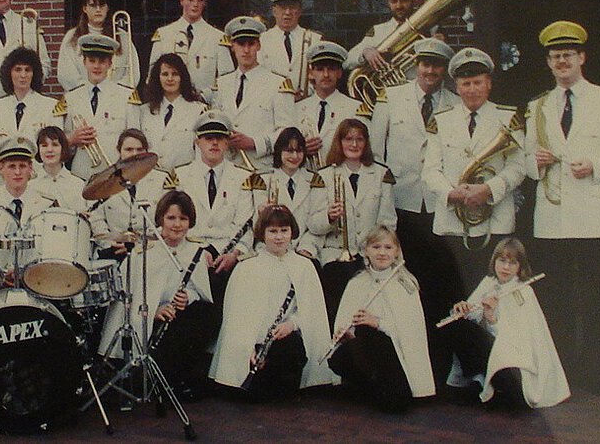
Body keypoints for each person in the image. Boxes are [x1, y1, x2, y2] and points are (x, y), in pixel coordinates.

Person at [523, 20, 600, 396]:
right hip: (552, 217)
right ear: (549, 63)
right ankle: (562, 370)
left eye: (568, 55)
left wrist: (597, 166)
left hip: (591, 213)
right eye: (555, 57)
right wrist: (534, 161)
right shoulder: (537, 106)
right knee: (554, 296)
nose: (562, 62)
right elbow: (524, 159)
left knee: (594, 295)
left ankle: (596, 373)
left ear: (582, 58)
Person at [422, 48, 525, 306]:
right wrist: (452, 193)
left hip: (495, 219)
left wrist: (488, 190)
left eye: (477, 82)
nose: (471, 89)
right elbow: (430, 169)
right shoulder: (441, 120)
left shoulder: (507, 117)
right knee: (454, 291)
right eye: (465, 83)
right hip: (452, 221)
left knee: (492, 292)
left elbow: (518, 166)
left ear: (488, 83)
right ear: (456, 86)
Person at [369, 37, 456, 326]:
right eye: (425, 64)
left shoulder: (454, 103)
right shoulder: (391, 97)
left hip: (437, 205)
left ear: (444, 69)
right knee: (406, 275)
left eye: (437, 66)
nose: (430, 71)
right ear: (416, 65)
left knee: (439, 279)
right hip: (401, 203)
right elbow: (377, 153)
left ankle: (437, 340)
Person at [98, 191, 218, 400]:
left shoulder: (195, 250)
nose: (177, 224)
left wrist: (188, 297)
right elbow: (129, 296)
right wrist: (153, 310)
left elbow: (198, 290)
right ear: (161, 219)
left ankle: (175, 378)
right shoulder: (143, 252)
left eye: (183, 218)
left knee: (207, 315)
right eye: (171, 218)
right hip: (146, 318)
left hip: (177, 316)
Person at [211, 206, 333, 401]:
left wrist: (291, 324)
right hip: (252, 343)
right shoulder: (247, 266)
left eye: (284, 230)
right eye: (273, 231)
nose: (279, 237)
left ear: (292, 232)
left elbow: (311, 312)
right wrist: (247, 347)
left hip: (283, 337)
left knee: (291, 353)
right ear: (262, 234)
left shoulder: (304, 266)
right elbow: (238, 317)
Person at [442, 239, 569, 408]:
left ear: (520, 267)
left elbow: (516, 342)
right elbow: (472, 321)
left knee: (472, 334)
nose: (506, 267)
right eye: (502, 261)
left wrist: (491, 317)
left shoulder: (523, 291)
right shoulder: (489, 282)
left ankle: (497, 391)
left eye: (513, 263)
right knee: (460, 325)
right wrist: (462, 310)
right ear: (494, 261)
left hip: (516, 366)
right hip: (495, 353)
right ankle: (481, 383)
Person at [328, 227, 434, 412]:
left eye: (388, 247)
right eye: (376, 247)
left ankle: (384, 389)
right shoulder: (356, 283)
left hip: (394, 356)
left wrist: (377, 322)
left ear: (397, 252)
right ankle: (369, 387)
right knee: (343, 353)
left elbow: (411, 332)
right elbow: (344, 323)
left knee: (395, 403)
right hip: (365, 353)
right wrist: (345, 333)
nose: (382, 252)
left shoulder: (406, 284)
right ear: (366, 251)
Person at [305, 118, 396, 319]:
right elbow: (313, 224)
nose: (354, 145)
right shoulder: (324, 176)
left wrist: (375, 251)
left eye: (359, 139)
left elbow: (388, 223)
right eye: (348, 139)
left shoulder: (381, 174)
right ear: (339, 142)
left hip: (369, 256)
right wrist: (329, 216)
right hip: (335, 255)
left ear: (366, 143)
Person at [171, 111, 255, 305]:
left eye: (220, 138)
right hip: (188, 252)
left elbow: (245, 224)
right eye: (208, 138)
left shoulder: (243, 177)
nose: (214, 144)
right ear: (197, 142)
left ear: (227, 143)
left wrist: (235, 254)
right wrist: (197, 252)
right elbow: (175, 221)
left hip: (227, 255)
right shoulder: (180, 176)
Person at [213, 16, 297, 171]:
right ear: (232, 46)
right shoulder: (222, 84)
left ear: (258, 45)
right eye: (240, 44)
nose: (246, 50)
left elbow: (288, 133)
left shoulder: (277, 84)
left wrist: (254, 142)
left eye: (251, 44)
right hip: (226, 168)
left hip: (261, 169)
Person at [60, 34, 140, 180]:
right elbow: (62, 144)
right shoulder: (71, 98)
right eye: (92, 61)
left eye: (102, 61)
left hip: (115, 175)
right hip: (80, 175)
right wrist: (72, 139)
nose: (96, 66)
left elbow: (135, 140)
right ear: (84, 62)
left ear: (110, 63)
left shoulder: (126, 96)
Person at [147, 0, 233, 103]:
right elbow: (152, 76)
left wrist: (204, 96)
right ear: (181, 0)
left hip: (202, 106)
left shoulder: (217, 38)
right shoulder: (164, 34)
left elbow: (227, 79)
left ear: (205, 3)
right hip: (169, 104)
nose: (195, 4)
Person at [87, 128, 172, 260]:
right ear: (119, 151)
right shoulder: (104, 179)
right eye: (129, 149)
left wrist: (140, 243)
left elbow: (168, 220)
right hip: (112, 253)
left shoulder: (162, 180)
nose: (134, 154)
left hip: (150, 252)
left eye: (140, 149)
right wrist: (109, 243)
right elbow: (96, 218)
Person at [250, 128, 325, 252]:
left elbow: (316, 227)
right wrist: (261, 213)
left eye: (299, 151)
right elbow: (256, 227)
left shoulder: (314, 180)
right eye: (289, 151)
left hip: (304, 249)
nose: (294, 156)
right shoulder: (263, 180)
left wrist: (306, 249)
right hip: (269, 249)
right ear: (279, 151)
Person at [294, 41, 365, 167]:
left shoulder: (355, 109)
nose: (326, 75)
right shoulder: (297, 109)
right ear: (311, 73)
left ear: (339, 73)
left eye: (331, 69)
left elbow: (365, 152)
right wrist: (300, 149)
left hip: (341, 180)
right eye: (320, 69)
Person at [57, 0, 138, 90]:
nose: (98, 9)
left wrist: (113, 91)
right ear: (85, 9)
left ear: (107, 8)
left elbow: (133, 72)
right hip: (82, 99)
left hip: (115, 99)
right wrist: (91, 91)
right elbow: (65, 73)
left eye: (102, 5)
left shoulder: (122, 37)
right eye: (93, 6)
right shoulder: (72, 37)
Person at [138, 53, 207, 169]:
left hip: (184, 180)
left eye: (175, 74)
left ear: (182, 78)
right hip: (150, 179)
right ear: (157, 77)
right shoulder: (143, 111)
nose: (170, 79)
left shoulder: (198, 111)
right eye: (165, 74)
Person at [344, 0, 421, 72]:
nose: (399, 6)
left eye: (404, 0)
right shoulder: (378, 31)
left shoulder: (428, 29)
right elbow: (347, 61)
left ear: (414, 0)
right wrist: (365, 52)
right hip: (389, 87)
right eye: (394, 1)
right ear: (388, 2)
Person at [259, 0, 323, 97]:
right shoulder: (262, 40)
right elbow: (258, 77)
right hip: (272, 105)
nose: (287, 12)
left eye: (292, 7)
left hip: (305, 105)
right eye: (282, 7)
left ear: (299, 11)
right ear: (274, 11)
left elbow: (320, 78)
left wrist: (305, 93)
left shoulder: (314, 39)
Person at [0, 47, 59, 146]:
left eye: (27, 70)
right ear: (9, 73)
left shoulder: (50, 107)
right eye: (18, 70)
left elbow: (56, 146)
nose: (23, 75)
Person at [0, 136, 56, 227]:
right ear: (0, 168)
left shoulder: (46, 204)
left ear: (30, 167)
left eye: (22, 166)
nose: (17, 172)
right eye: (12, 166)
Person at [29, 125, 87, 214]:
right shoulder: (30, 186)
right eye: (44, 145)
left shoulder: (78, 185)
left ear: (63, 148)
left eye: (55, 145)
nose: (49, 150)